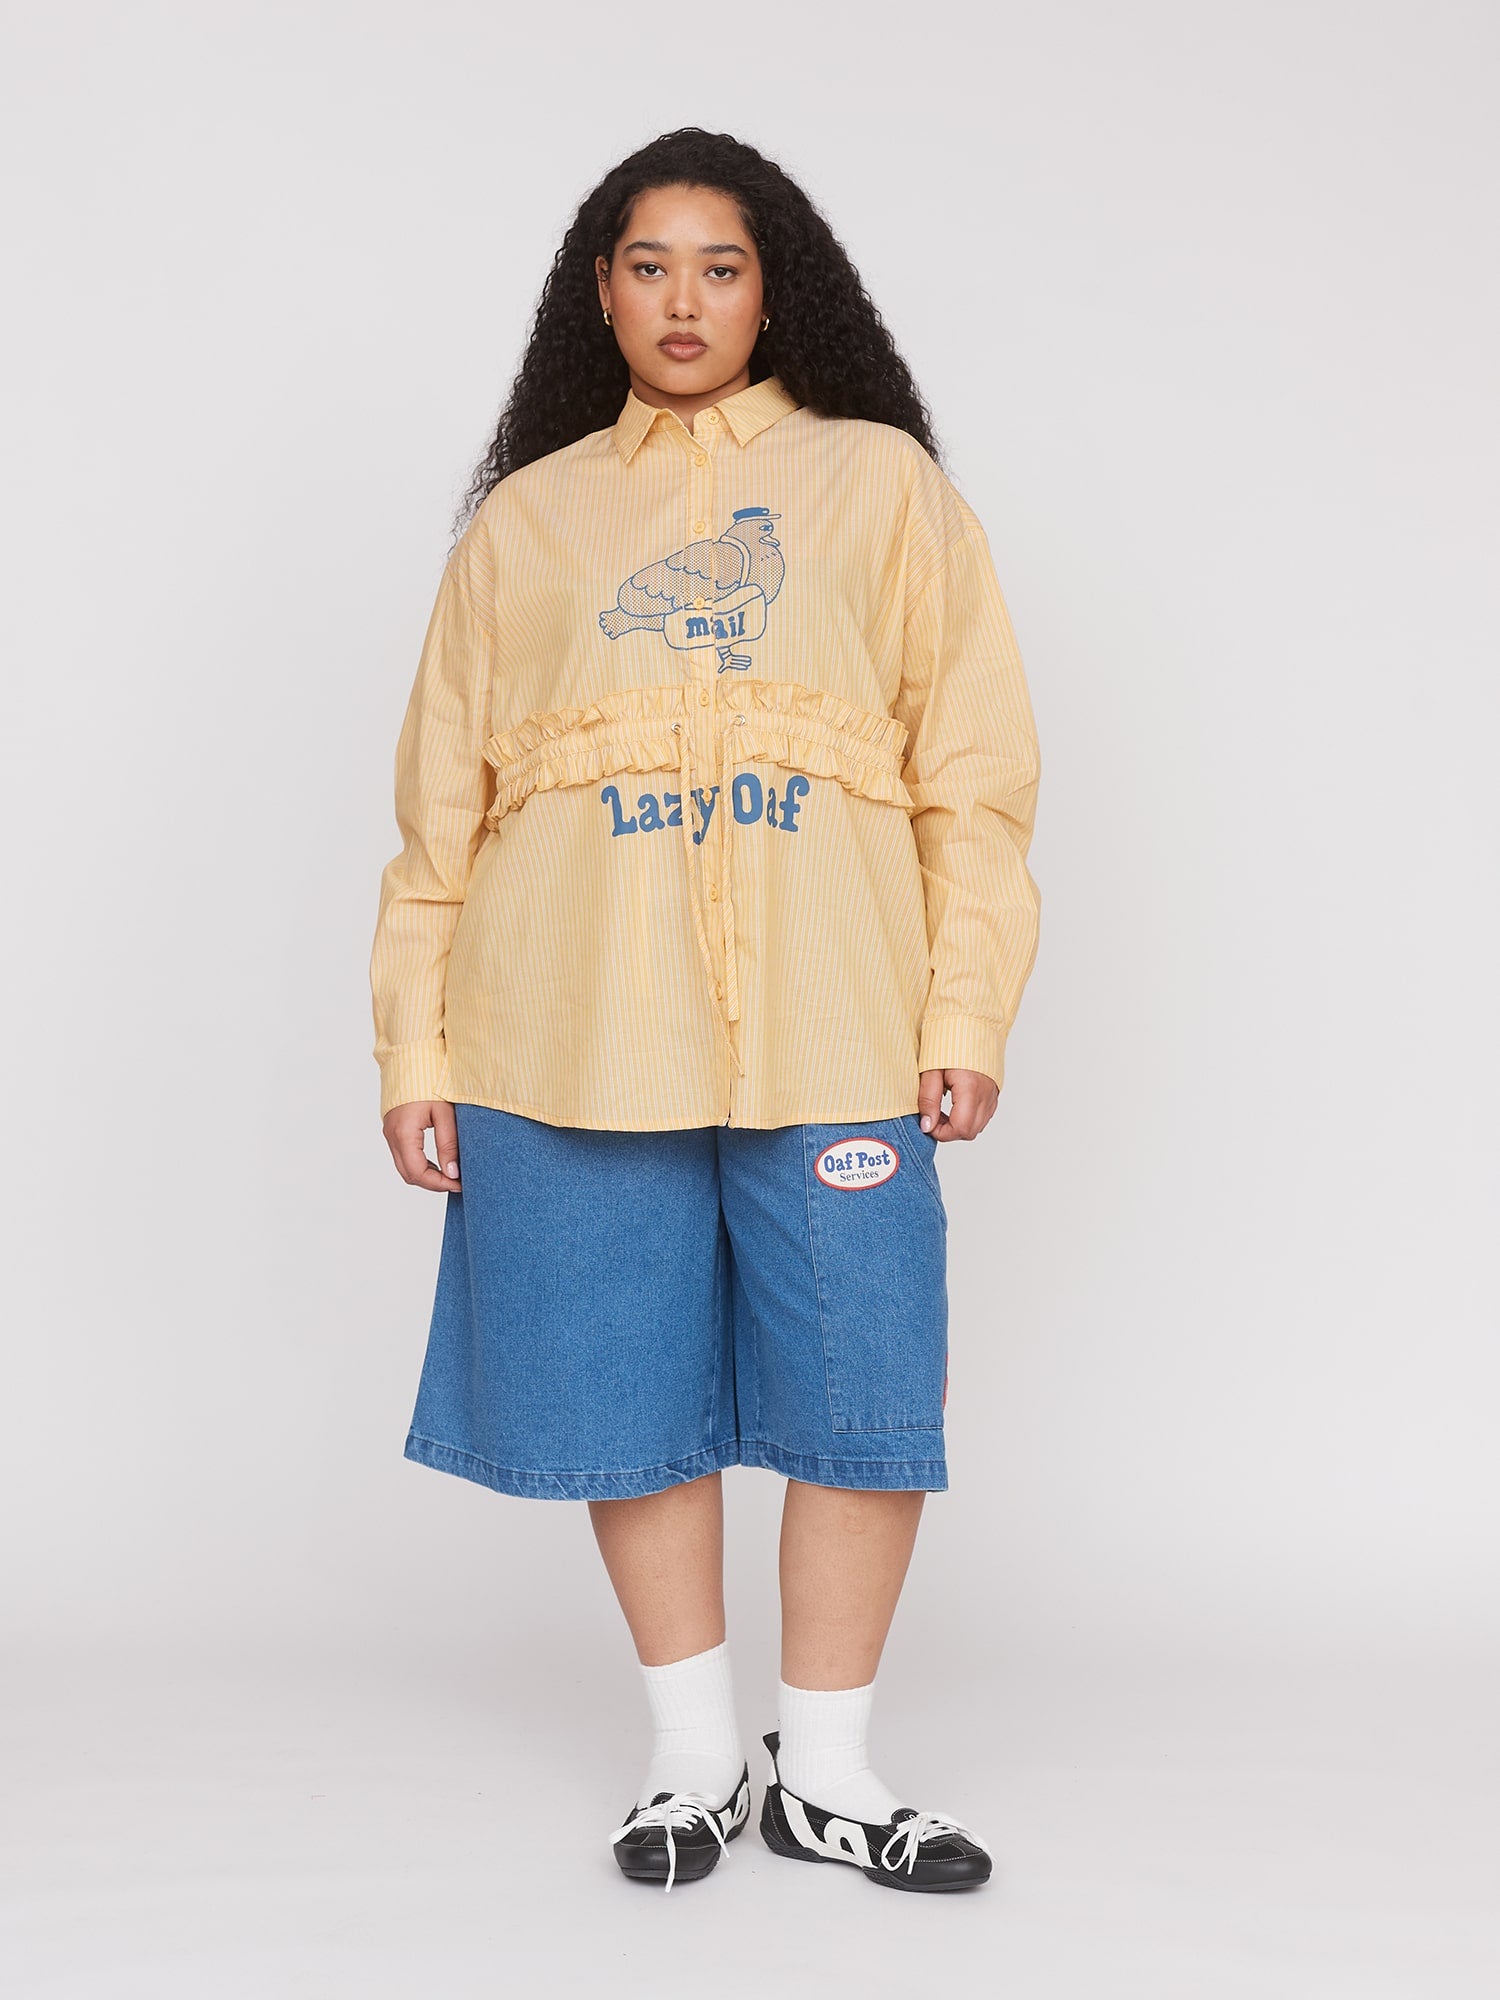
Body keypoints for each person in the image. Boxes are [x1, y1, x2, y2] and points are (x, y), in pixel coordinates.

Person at [369, 126, 1042, 1896]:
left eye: (721, 267)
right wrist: (418, 1045)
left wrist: (965, 1005)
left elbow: (973, 773)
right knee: (625, 1390)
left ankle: (831, 1773)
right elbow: (442, 815)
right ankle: (693, 1759)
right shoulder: (526, 523)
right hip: (568, 1030)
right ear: (599, 292)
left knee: (863, 1391)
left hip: (842, 1018)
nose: (685, 300)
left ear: (774, 288)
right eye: (650, 265)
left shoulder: (882, 487)